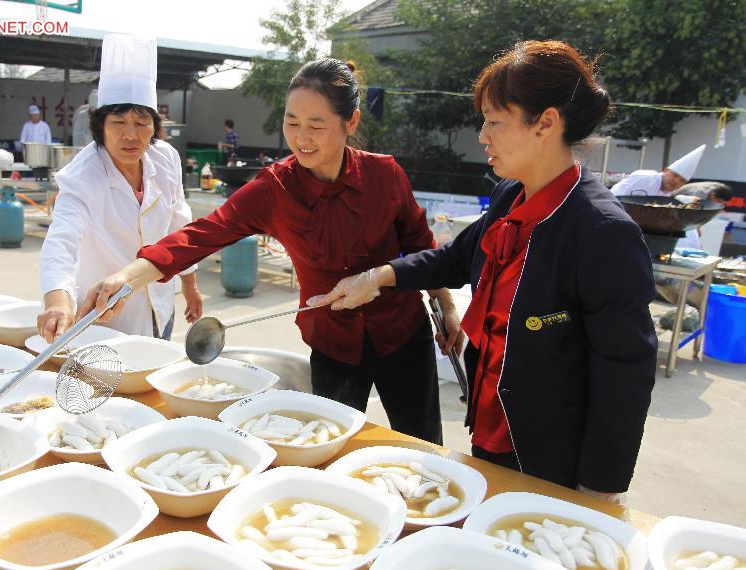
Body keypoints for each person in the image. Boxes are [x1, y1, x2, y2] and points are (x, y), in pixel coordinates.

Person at [309, 41, 658, 501]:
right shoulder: (510, 196)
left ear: (546, 123)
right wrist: (377, 278)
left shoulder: (600, 230)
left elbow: (625, 373)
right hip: (492, 424)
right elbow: (455, 259)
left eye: (494, 121)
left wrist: (599, 489)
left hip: (553, 455)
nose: (482, 136)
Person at [77, 58, 463, 445]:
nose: (301, 138)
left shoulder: (384, 175)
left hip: (402, 334)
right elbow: (202, 235)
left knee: (424, 444)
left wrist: (445, 304)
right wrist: (125, 278)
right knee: (330, 446)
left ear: (351, 122)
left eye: (316, 126)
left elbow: (420, 245)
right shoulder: (275, 189)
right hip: (333, 345)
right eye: (292, 123)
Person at [37, 34, 203, 342]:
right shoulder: (83, 175)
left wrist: (190, 285)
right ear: (100, 126)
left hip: (160, 306)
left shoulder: (166, 158)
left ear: (155, 127)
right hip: (108, 320)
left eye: (141, 124)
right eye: (118, 123)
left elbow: (180, 224)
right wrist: (57, 301)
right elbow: (61, 239)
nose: (130, 135)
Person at [610, 144, 705, 197]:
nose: (676, 181)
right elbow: (616, 195)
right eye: (675, 175)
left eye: (682, 180)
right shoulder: (646, 177)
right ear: (666, 170)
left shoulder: (668, 196)